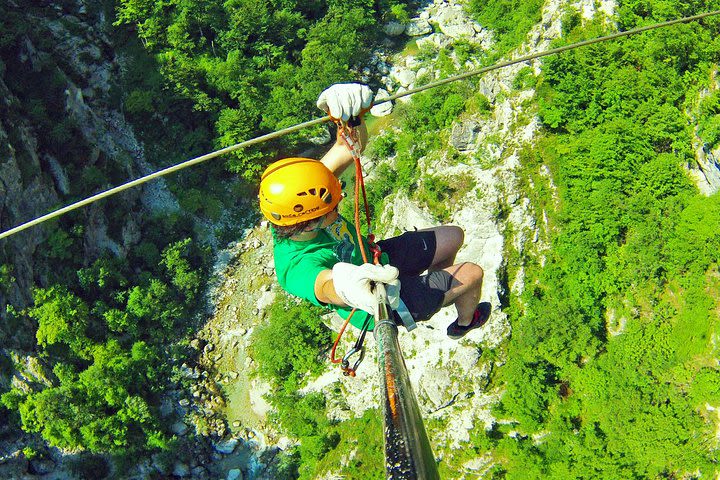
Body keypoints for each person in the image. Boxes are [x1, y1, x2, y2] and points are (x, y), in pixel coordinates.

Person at [259, 83, 490, 339]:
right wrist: (347, 289)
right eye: (332, 208)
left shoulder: (295, 200)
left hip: (379, 258)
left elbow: (348, 148)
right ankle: (465, 322)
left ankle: (436, 292)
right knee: (472, 273)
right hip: (379, 301)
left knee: (453, 235)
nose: (340, 203)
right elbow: (325, 286)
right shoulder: (295, 267)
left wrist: (349, 118)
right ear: (308, 223)